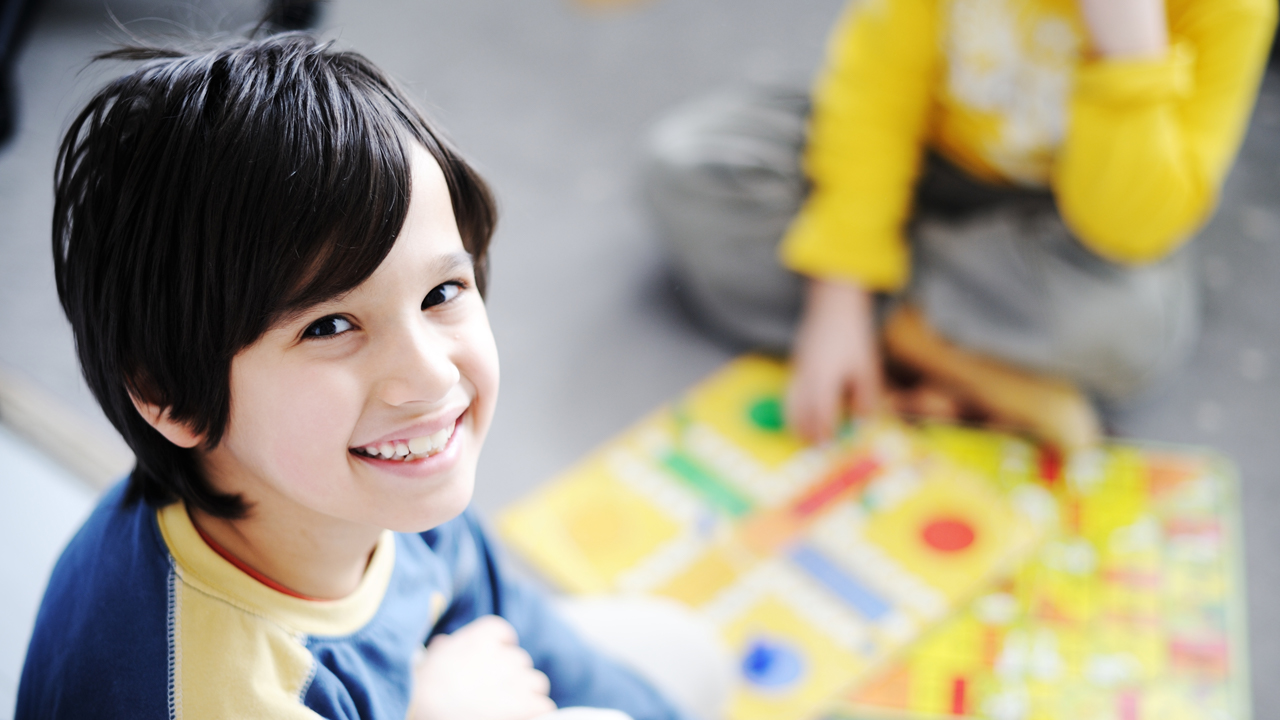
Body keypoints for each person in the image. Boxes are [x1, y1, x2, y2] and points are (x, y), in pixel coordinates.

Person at [16, 34, 697, 720]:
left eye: (441, 293)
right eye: (331, 326)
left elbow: (527, 630)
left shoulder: (369, 482)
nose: (431, 379)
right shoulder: (210, 693)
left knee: (683, 654)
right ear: (170, 394)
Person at [645, 0, 1276, 449]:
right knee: (692, 165)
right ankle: (951, 346)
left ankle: (904, 331)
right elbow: (873, 96)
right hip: (924, 171)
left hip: (1057, 230)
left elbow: (1130, 229)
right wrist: (839, 293)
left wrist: (1129, 51)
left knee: (1128, 333)